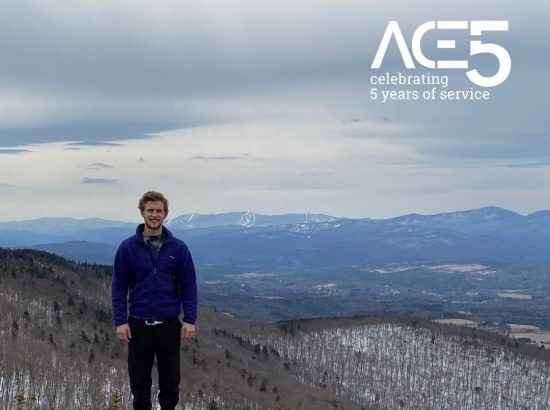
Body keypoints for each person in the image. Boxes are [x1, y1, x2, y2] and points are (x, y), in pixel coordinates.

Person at [111, 191, 197, 410]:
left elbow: (188, 285)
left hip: (169, 325)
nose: (154, 214)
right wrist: (120, 321)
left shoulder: (178, 248)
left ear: (165, 213)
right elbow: (118, 286)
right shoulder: (128, 248)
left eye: (159, 210)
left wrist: (190, 319)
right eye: (150, 210)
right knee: (139, 384)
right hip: (138, 326)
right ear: (142, 212)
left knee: (170, 383)